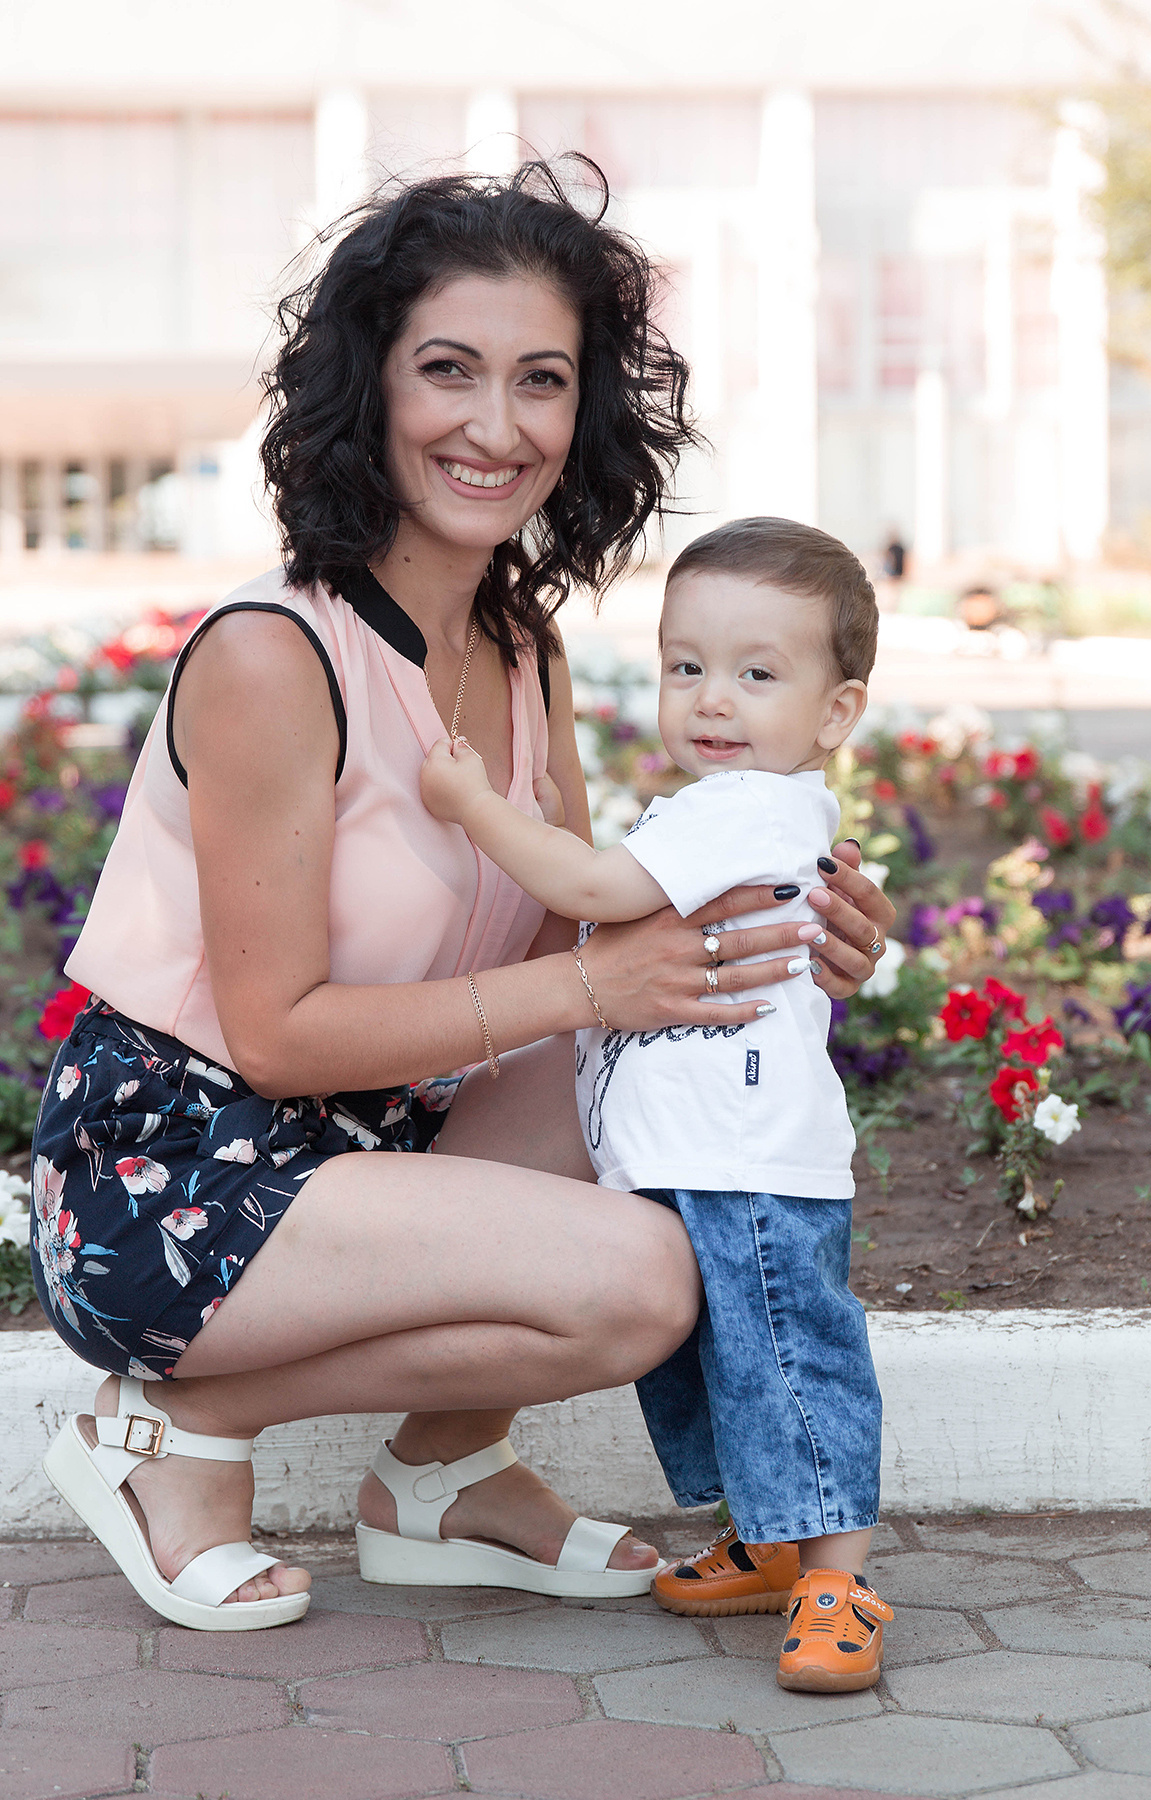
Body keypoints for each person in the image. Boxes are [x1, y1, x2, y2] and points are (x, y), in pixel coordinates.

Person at [31, 160, 895, 1632]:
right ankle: (171, 1436)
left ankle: (443, 1475)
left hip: (382, 1136)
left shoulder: (520, 643)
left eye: (541, 381)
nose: (498, 427)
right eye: (450, 371)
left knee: (677, 1057)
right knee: (640, 1281)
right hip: (176, 1176)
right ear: (369, 385)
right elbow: (282, 1037)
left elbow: (590, 939)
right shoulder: (271, 656)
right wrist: (591, 987)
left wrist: (788, 934)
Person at [421, 515, 894, 1694]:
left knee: (786, 1362)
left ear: (836, 714)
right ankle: (773, 1543)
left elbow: (587, 885)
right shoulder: (725, 807)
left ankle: (841, 1577)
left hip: (752, 1160)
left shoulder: (743, 807)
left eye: (756, 672)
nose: (711, 700)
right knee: (725, 1364)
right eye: (688, 666)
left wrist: (473, 805)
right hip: (700, 1154)